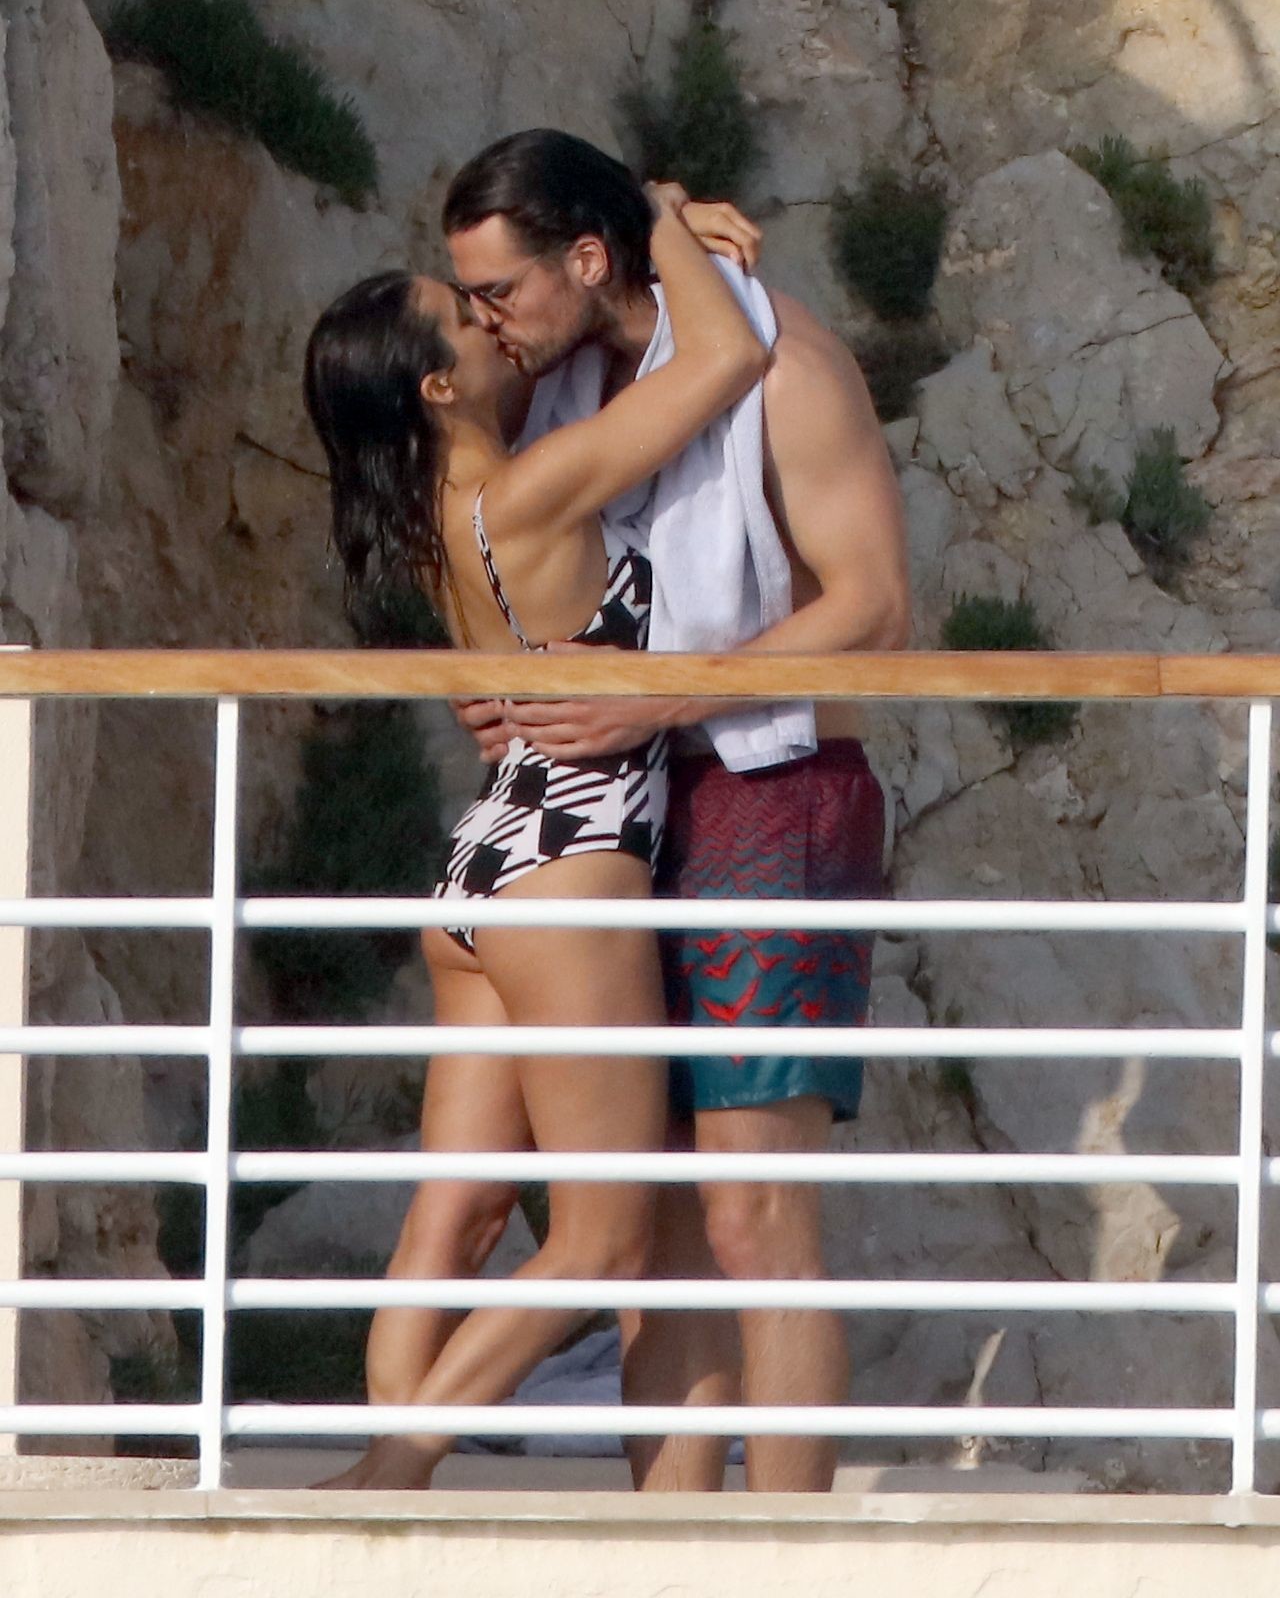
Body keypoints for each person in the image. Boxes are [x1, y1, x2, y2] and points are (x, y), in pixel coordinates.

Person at [445, 129, 911, 1495]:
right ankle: (670, 1547)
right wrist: (496, 690)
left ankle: (788, 1560)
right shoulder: (564, 384)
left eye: (501, 291)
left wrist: (656, 701)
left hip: (775, 793)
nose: (485, 321)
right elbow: (511, 569)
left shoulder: (789, 364)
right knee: (651, 1227)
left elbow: (874, 607)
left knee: (753, 1210)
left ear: (590, 260)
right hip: (622, 811)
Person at [302, 181, 770, 1490]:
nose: (494, 321)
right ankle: (394, 1473)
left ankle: (384, 1502)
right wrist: (655, 215)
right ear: (438, 388)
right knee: (604, 1240)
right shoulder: (531, 490)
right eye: (465, 318)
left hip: (482, 866)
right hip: (571, 864)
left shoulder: (431, 520)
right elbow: (728, 360)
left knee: (454, 1217)